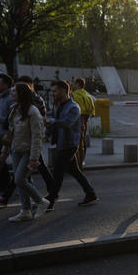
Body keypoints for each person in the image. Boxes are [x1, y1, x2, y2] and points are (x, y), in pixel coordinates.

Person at [46, 80, 98, 208]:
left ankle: (50, 200)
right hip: (62, 143)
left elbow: (66, 123)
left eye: (55, 91)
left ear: (64, 91)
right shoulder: (60, 105)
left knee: (58, 172)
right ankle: (90, 193)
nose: (53, 93)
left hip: (69, 144)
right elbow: (56, 122)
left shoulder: (74, 107)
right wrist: (47, 133)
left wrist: (50, 121)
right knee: (75, 171)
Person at [1, 83, 49, 221]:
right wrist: (6, 150)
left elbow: (37, 136)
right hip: (16, 149)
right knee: (20, 181)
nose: (11, 93)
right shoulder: (15, 109)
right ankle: (25, 210)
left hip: (28, 150)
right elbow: (11, 132)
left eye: (14, 91)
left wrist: (34, 157)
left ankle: (41, 201)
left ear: (21, 93)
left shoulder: (33, 112)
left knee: (19, 179)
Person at [71, 77, 95, 168]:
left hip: (76, 123)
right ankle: (81, 162)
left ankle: (77, 164)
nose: (72, 85)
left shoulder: (74, 95)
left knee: (75, 144)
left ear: (78, 84)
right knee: (82, 144)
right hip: (85, 122)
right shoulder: (88, 96)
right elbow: (91, 111)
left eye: (73, 83)